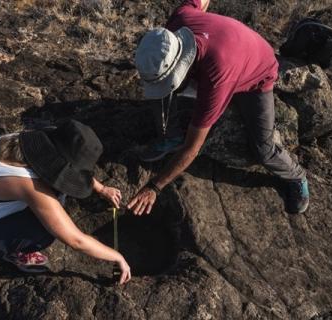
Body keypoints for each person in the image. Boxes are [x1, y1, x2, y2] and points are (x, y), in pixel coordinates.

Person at [128, 0, 309, 215]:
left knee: (263, 149)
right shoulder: (176, 24)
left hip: (258, 72)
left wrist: (154, 186)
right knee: (164, 93)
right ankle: (172, 135)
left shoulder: (216, 79)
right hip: (231, 53)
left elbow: (192, 148)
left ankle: (297, 176)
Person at [0, 120, 131, 284]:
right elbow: (75, 239)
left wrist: (100, 188)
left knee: (57, 196)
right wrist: (117, 257)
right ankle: (16, 253)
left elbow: (68, 165)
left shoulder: (26, 143)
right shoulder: (26, 184)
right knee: (45, 231)